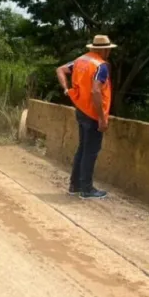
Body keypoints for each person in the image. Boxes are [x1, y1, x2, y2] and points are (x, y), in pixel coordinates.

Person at [56, 34, 116, 200]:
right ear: (104, 50)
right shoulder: (101, 66)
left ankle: (74, 185)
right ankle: (86, 189)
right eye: (108, 50)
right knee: (90, 151)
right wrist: (102, 118)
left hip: (80, 109)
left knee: (82, 148)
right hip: (93, 113)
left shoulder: (81, 61)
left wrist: (66, 89)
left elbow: (60, 70)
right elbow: (96, 91)